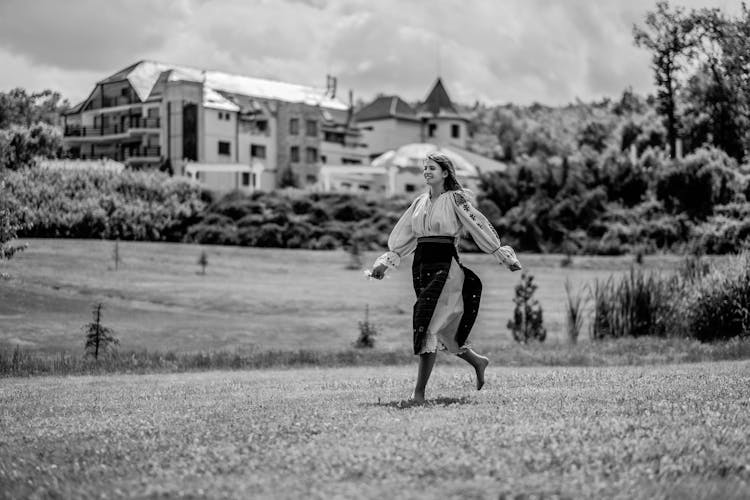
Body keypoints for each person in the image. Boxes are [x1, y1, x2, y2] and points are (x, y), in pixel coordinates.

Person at [369, 152, 522, 403]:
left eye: (432, 168)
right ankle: (478, 361)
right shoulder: (419, 202)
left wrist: (502, 255)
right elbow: (404, 236)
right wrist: (386, 263)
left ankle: (418, 394)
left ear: (445, 173)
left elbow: (478, 225)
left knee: (427, 323)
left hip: (445, 265)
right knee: (439, 326)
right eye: (425, 168)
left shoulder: (455, 199)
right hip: (421, 265)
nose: (427, 172)